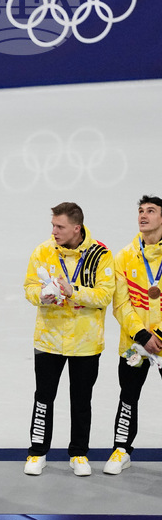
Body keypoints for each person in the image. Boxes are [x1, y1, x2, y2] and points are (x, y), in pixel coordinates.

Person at [22, 202, 114, 476]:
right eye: (52, 225)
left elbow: (104, 296)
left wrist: (73, 291)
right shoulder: (43, 251)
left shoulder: (101, 254)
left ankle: (79, 454)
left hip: (86, 343)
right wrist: (42, 296)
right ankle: (37, 452)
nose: (54, 231)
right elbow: (29, 287)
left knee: (81, 399)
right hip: (48, 339)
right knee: (43, 397)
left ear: (76, 228)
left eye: (59, 226)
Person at [106, 195, 162, 475]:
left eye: (151, 211)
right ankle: (121, 450)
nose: (144, 215)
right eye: (141, 211)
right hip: (135, 345)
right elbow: (120, 303)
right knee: (128, 396)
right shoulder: (124, 256)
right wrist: (142, 335)